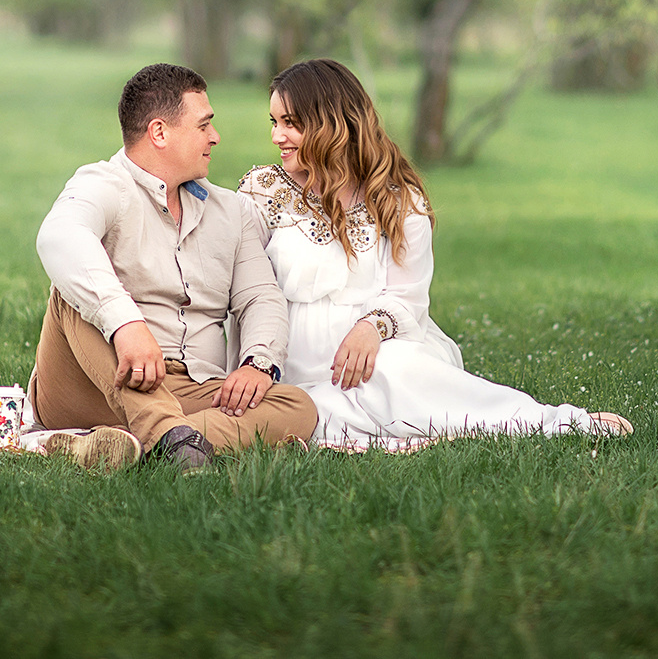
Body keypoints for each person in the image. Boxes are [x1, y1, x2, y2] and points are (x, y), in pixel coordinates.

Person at [237, 58, 633, 449]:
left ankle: (550, 422)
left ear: (333, 125)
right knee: (307, 408)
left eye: (291, 123)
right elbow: (240, 281)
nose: (277, 136)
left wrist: (369, 328)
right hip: (288, 363)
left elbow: (407, 296)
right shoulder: (263, 190)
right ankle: (337, 416)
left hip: (377, 357)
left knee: (398, 372)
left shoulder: (396, 199)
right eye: (274, 122)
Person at [30, 62, 319, 470]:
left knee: (298, 407)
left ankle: (153, 443)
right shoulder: (104, 184)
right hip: (98, 382)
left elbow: (261, 297)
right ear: (160, 132)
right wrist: (126, 325)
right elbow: (60, 236)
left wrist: (257, 362)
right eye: (204, 126)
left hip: (190, 387)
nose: (215, 137)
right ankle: (169, 435)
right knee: (70, 293)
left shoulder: (231, 211)